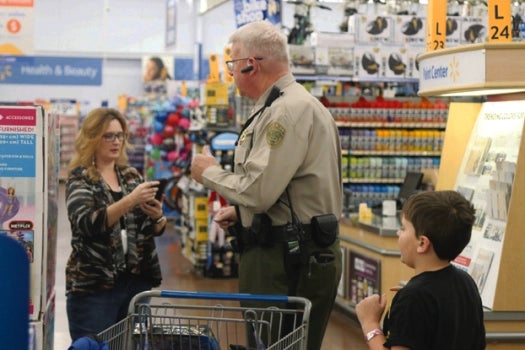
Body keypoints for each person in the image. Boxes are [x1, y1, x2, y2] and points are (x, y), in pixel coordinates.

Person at [190, 20, 342, 350]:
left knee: (276, 344)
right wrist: (241, 211)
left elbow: (258, 192)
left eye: (232, 63)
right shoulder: (293, 105)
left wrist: (208, 173)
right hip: (293, 250)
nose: (230, 73)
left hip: (287, 259)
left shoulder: (286, 111)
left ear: (250, 65)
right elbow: (288, 187)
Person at [65, 107, 167, 341]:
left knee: (131, 345)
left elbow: (151, 230)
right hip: (95, 287)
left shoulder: (131, 176)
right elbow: (87, 223)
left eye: (120, 135)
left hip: (135, 285)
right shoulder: (80, 178)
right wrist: (130, 200)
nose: (116, 142)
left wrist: (157, 217)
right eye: (108, 136)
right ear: (92, 138)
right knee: (92, 345)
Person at [355, 190, 486, 350]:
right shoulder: (466, 282)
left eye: (403, 228)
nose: (398, 233)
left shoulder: (413, 299)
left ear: (422, 243)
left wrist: (370, 323)